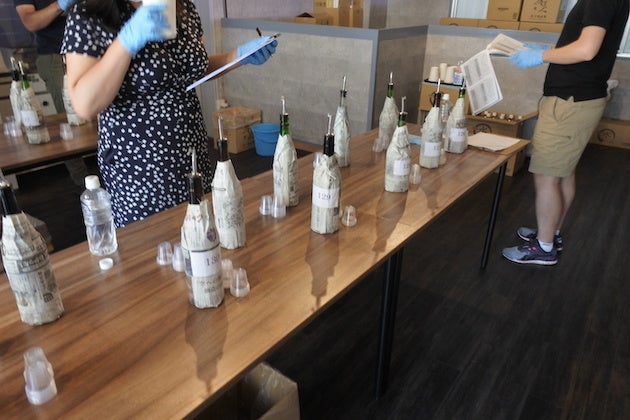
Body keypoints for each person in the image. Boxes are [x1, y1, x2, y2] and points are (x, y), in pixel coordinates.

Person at [62, 0, 277, 227]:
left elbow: (190, 70)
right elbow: (85, 104)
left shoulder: (182, 6)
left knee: (201, 231)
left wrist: (238, 56)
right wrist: (126, 41)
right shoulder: (89, 13)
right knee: (154, 239)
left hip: (191, 152)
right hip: (140, 164)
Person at [502, 0, 629, 266]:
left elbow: (586, 49)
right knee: (562, 172)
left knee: (546, 175)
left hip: (570, 101)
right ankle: (550, 233)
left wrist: (542, 56)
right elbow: (586, 43)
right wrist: (549, 51)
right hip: (578, 98)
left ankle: (544, 247)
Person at [14, 0, 89, 186]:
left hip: (93, 46)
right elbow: (30, 21)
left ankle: (116, 168)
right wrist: (60, 4)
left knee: (109, 110)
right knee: (71, 119)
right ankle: (83, 182)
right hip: (55, 55)